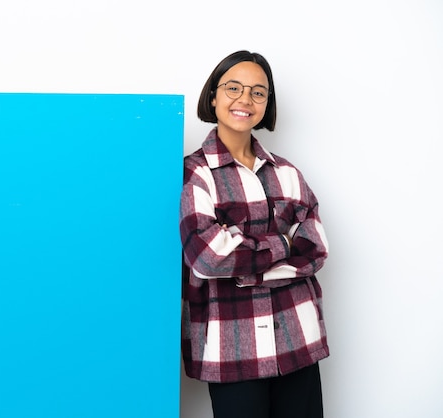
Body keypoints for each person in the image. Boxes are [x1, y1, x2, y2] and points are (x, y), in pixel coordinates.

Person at [179, 50, 330, 418]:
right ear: (213, 96)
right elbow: (208, 258)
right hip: (232, 349)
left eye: (258, 92)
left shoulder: (288, 173)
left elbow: (316, 250)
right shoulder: (194, 174)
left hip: (298, 340)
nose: (245, 99)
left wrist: (244, 259)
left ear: (267, 103)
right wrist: (284, 243)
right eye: (233, 87)